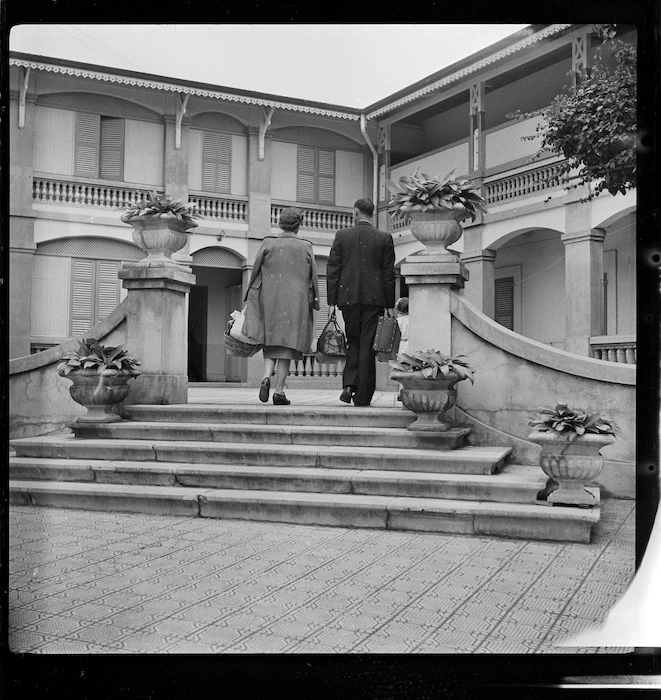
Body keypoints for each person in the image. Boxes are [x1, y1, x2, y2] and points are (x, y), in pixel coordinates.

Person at [243, 207, 320, 405]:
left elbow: (255, 273)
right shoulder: (305, 246)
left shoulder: (268, 243)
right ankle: (279, 391)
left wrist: (251, 296)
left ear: (280, 223)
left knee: (270, 344)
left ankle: (266, 377)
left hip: (270, 300)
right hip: (296, 303)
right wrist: (315, 300)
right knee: (287, 347)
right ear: (298, 225)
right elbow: (313, 277)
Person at [327, 198, 395, 407]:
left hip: (348, 297)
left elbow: (333, 269)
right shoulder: (384, 238)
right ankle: (363, 395)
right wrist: (390, 304)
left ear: (355, 212)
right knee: (367, 344)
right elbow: (388, 274)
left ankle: (349, 385)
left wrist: (332, 301)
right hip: (374, 298)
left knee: (352, 340)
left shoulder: (342, 236)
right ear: (372, 214)